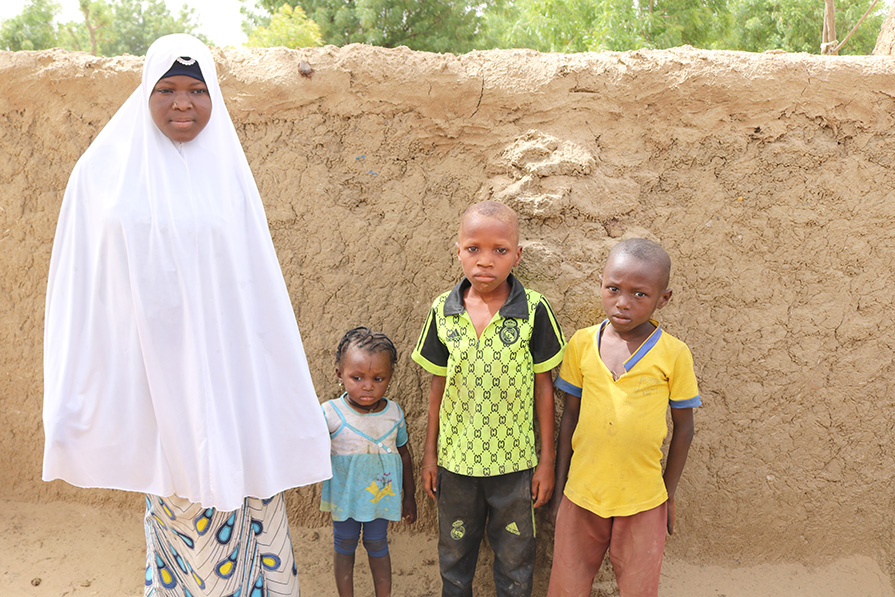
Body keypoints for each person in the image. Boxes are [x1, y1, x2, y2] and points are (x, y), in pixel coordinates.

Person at [42, 34, 331, 597]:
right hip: (157, 387)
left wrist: (268, 389)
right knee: (179, 502)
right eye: (167, 88)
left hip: (227, 386)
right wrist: (76, 388)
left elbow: (255, 294)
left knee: (242, 491)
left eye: (198, 90)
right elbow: (85, 290)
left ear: (214, 96)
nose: (183, 103)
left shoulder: (228, 178)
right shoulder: (104, 177)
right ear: (145, 92)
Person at [411, 200, 566, 597]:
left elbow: (544, 387)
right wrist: (430, 456)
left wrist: (545, 462)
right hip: (456, 464)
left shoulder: (533, 310)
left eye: (499, 250)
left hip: (515, 466)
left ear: (517, 255)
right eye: (473, 249)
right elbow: (437, 387)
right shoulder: (442, 312)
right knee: (454, 559)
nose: (485, 261)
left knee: (516, 562)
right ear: (458, 250)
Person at [546, 238, 701, 597]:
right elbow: (568, 419)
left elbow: (685, 429)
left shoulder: (674, 354)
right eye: (613, 288)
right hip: (582, 493)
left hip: (644, 500)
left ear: (663, 298)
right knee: (567, 586)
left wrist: (669, 494)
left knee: (638, 588)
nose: (623, 302)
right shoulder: (582, 344)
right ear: (601, 283)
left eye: (639, 294)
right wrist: (560, 491)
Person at [320, 327, 417, 596]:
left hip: (380, 498)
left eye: (378, 378)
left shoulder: (393, 413)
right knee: (344, 544)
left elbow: (404, 455)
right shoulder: (330, 414)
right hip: (346, 498)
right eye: (357, 377)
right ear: (339, 373)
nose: (367, 386)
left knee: (377, 544)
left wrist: (410, 496)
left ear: (390, 378)